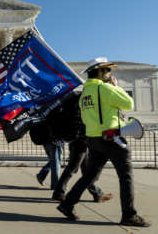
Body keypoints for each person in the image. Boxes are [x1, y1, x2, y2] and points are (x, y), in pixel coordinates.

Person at [56, 57, 151, 227]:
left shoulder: (85, 93)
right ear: (100, 71)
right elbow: (129, 103)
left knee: (89, 175)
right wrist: (116, 87)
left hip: (93, 139)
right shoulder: (105, 88)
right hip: (112, 137)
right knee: (126, 176)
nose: (109, 73)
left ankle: (67, 204)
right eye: (107, 70)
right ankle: (129, 214)